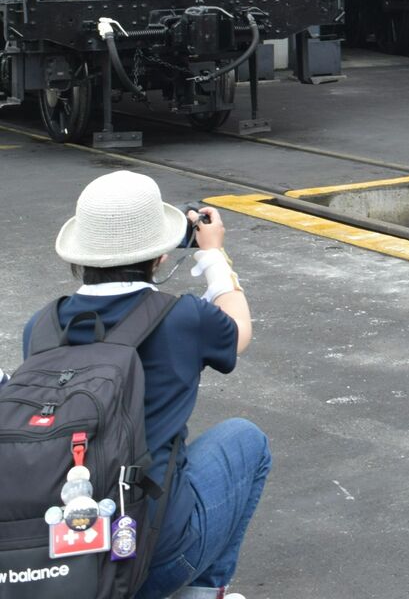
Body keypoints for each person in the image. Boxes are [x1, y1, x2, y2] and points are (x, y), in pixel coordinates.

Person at [22, 170, 269, 599]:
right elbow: (239, 329)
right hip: (154, 555)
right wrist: (213, 254)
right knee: (244, 439)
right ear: (160, 256)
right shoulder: (182, 317)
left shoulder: (41, 327)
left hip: (64, 562)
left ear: (81, 256)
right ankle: (205, 590)